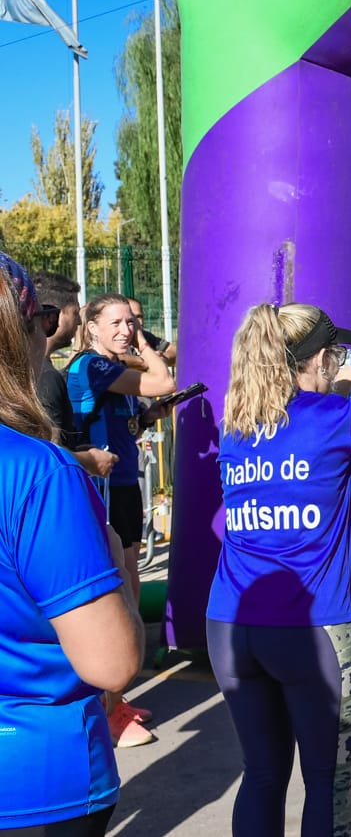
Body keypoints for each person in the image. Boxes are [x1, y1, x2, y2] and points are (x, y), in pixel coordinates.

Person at [207, 302, 351, 837]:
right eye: (336, 354)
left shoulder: (238, 426)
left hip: (230, 626)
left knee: (262, 775)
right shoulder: (338, 418)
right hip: (313, 632)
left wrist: (339, 392)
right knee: (326, 784)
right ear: (318, 359)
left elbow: (302, 432)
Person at [0, 253, 145, 835]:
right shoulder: (39, 472)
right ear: (22, 336)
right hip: (37, 778)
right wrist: (112, 557)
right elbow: (112, 663)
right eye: (41, 321)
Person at [67, 292, 174, 747]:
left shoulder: (111, 370)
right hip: (102, 485)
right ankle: (108, 712)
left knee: (130, 583)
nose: (126, 330)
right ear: (91, 326)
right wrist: (147, 347)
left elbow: (128, 419)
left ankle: (117, 700)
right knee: (117, 588)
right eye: (116, 322)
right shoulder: (94, 365)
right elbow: (163, 379)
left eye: (131, 322)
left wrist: (149, 417)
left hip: (125, 484)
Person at [30, 271, 118, 477]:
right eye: (75, 313)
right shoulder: (45, 377)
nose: (79, 322)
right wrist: (89, 461)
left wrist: (77, 449)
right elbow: (48, 452)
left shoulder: (34, 369)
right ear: (51, 317)